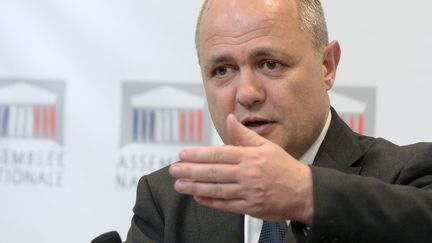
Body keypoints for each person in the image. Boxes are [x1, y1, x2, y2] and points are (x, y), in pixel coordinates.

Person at [125, 0, 432, 242]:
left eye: (270, 64)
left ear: (327, 66)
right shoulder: (168, 200)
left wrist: (306, 194)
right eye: (223, 70)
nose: (247, 93)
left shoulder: (406, 175)